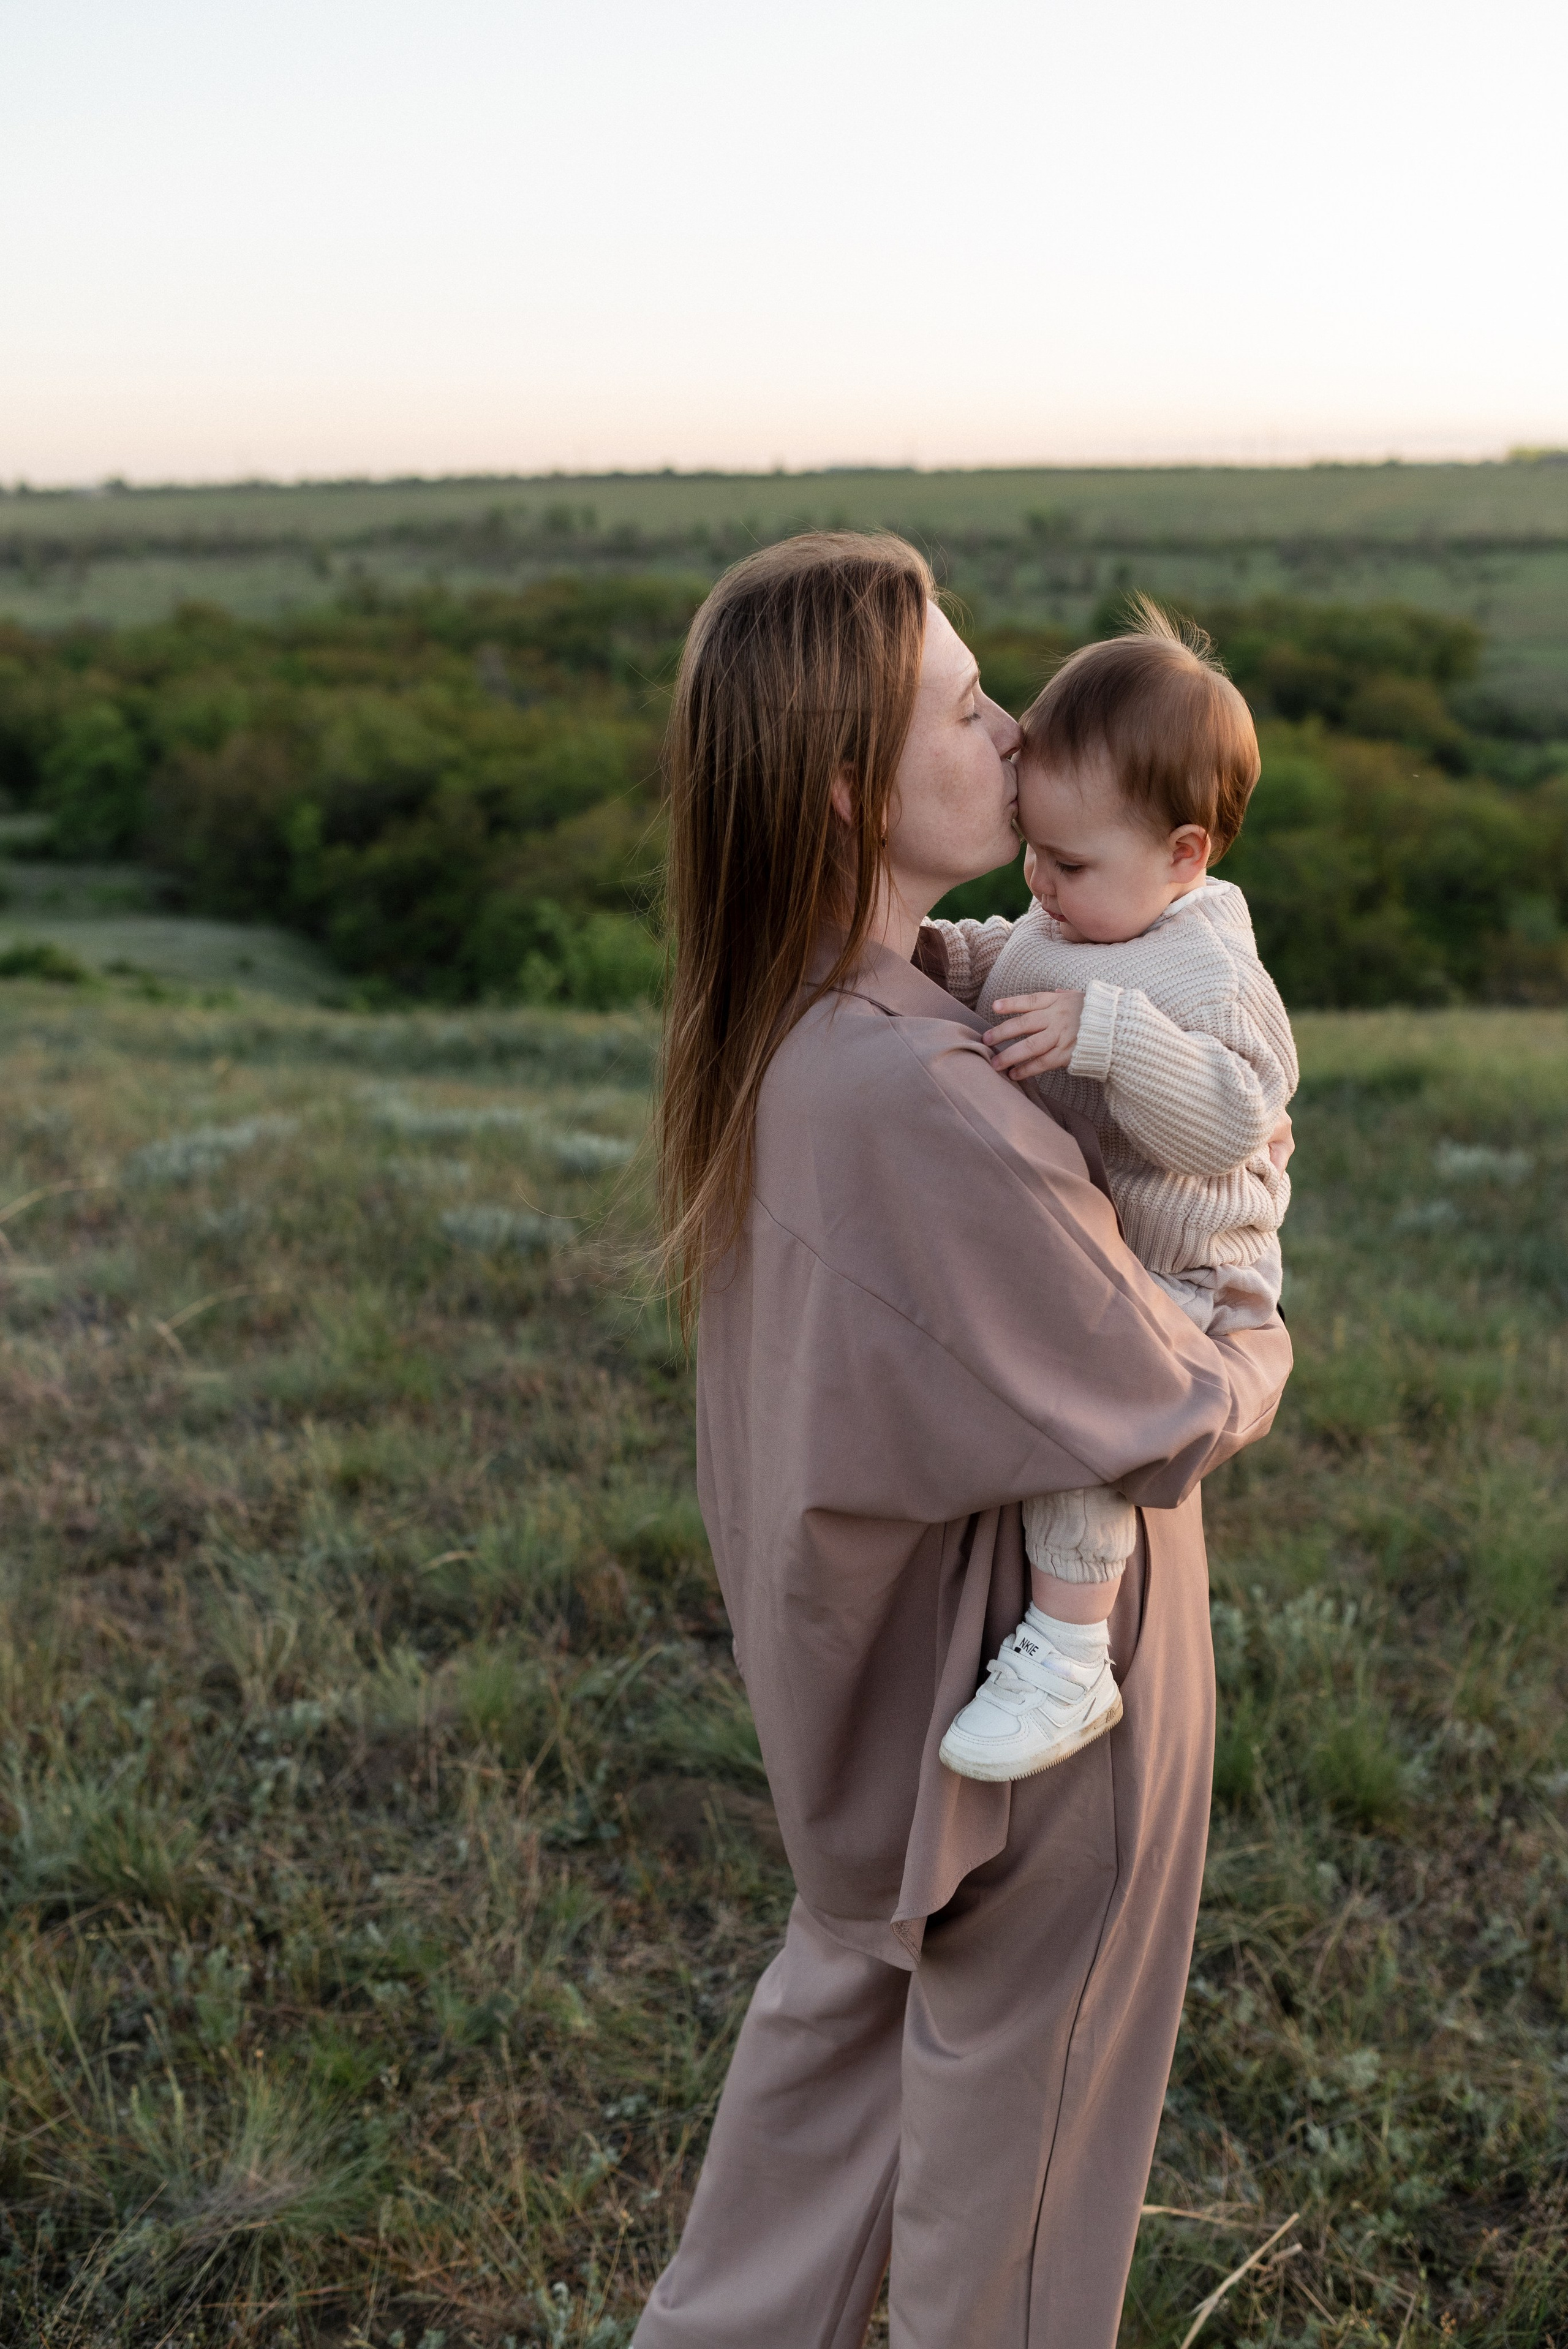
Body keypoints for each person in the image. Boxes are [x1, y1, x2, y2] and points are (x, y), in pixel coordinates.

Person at [636, 533, 1292, 2349]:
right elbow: (1156, 1395)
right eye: (966, 703)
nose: (1015, 731)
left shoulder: (799, 1015)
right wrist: (1259, 1322)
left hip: (875, 1700)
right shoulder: (920, 1083)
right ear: (854, 782)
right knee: (1013, 2217)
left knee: (811, 2168)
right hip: (1030, 1706)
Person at [932, 603, 1298, 1784]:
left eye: (1068, 863)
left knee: (1096, 1422)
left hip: (1191, 1263)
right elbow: (1018, 958)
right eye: (1033, 852)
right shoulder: (1077, 910)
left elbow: (1233, 1121)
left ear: (1185, 854)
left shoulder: (1209, 970)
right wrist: (938, 955)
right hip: (1112, 1240)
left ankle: (1071, 1651)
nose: (1039, 882)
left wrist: (1115, 1036)